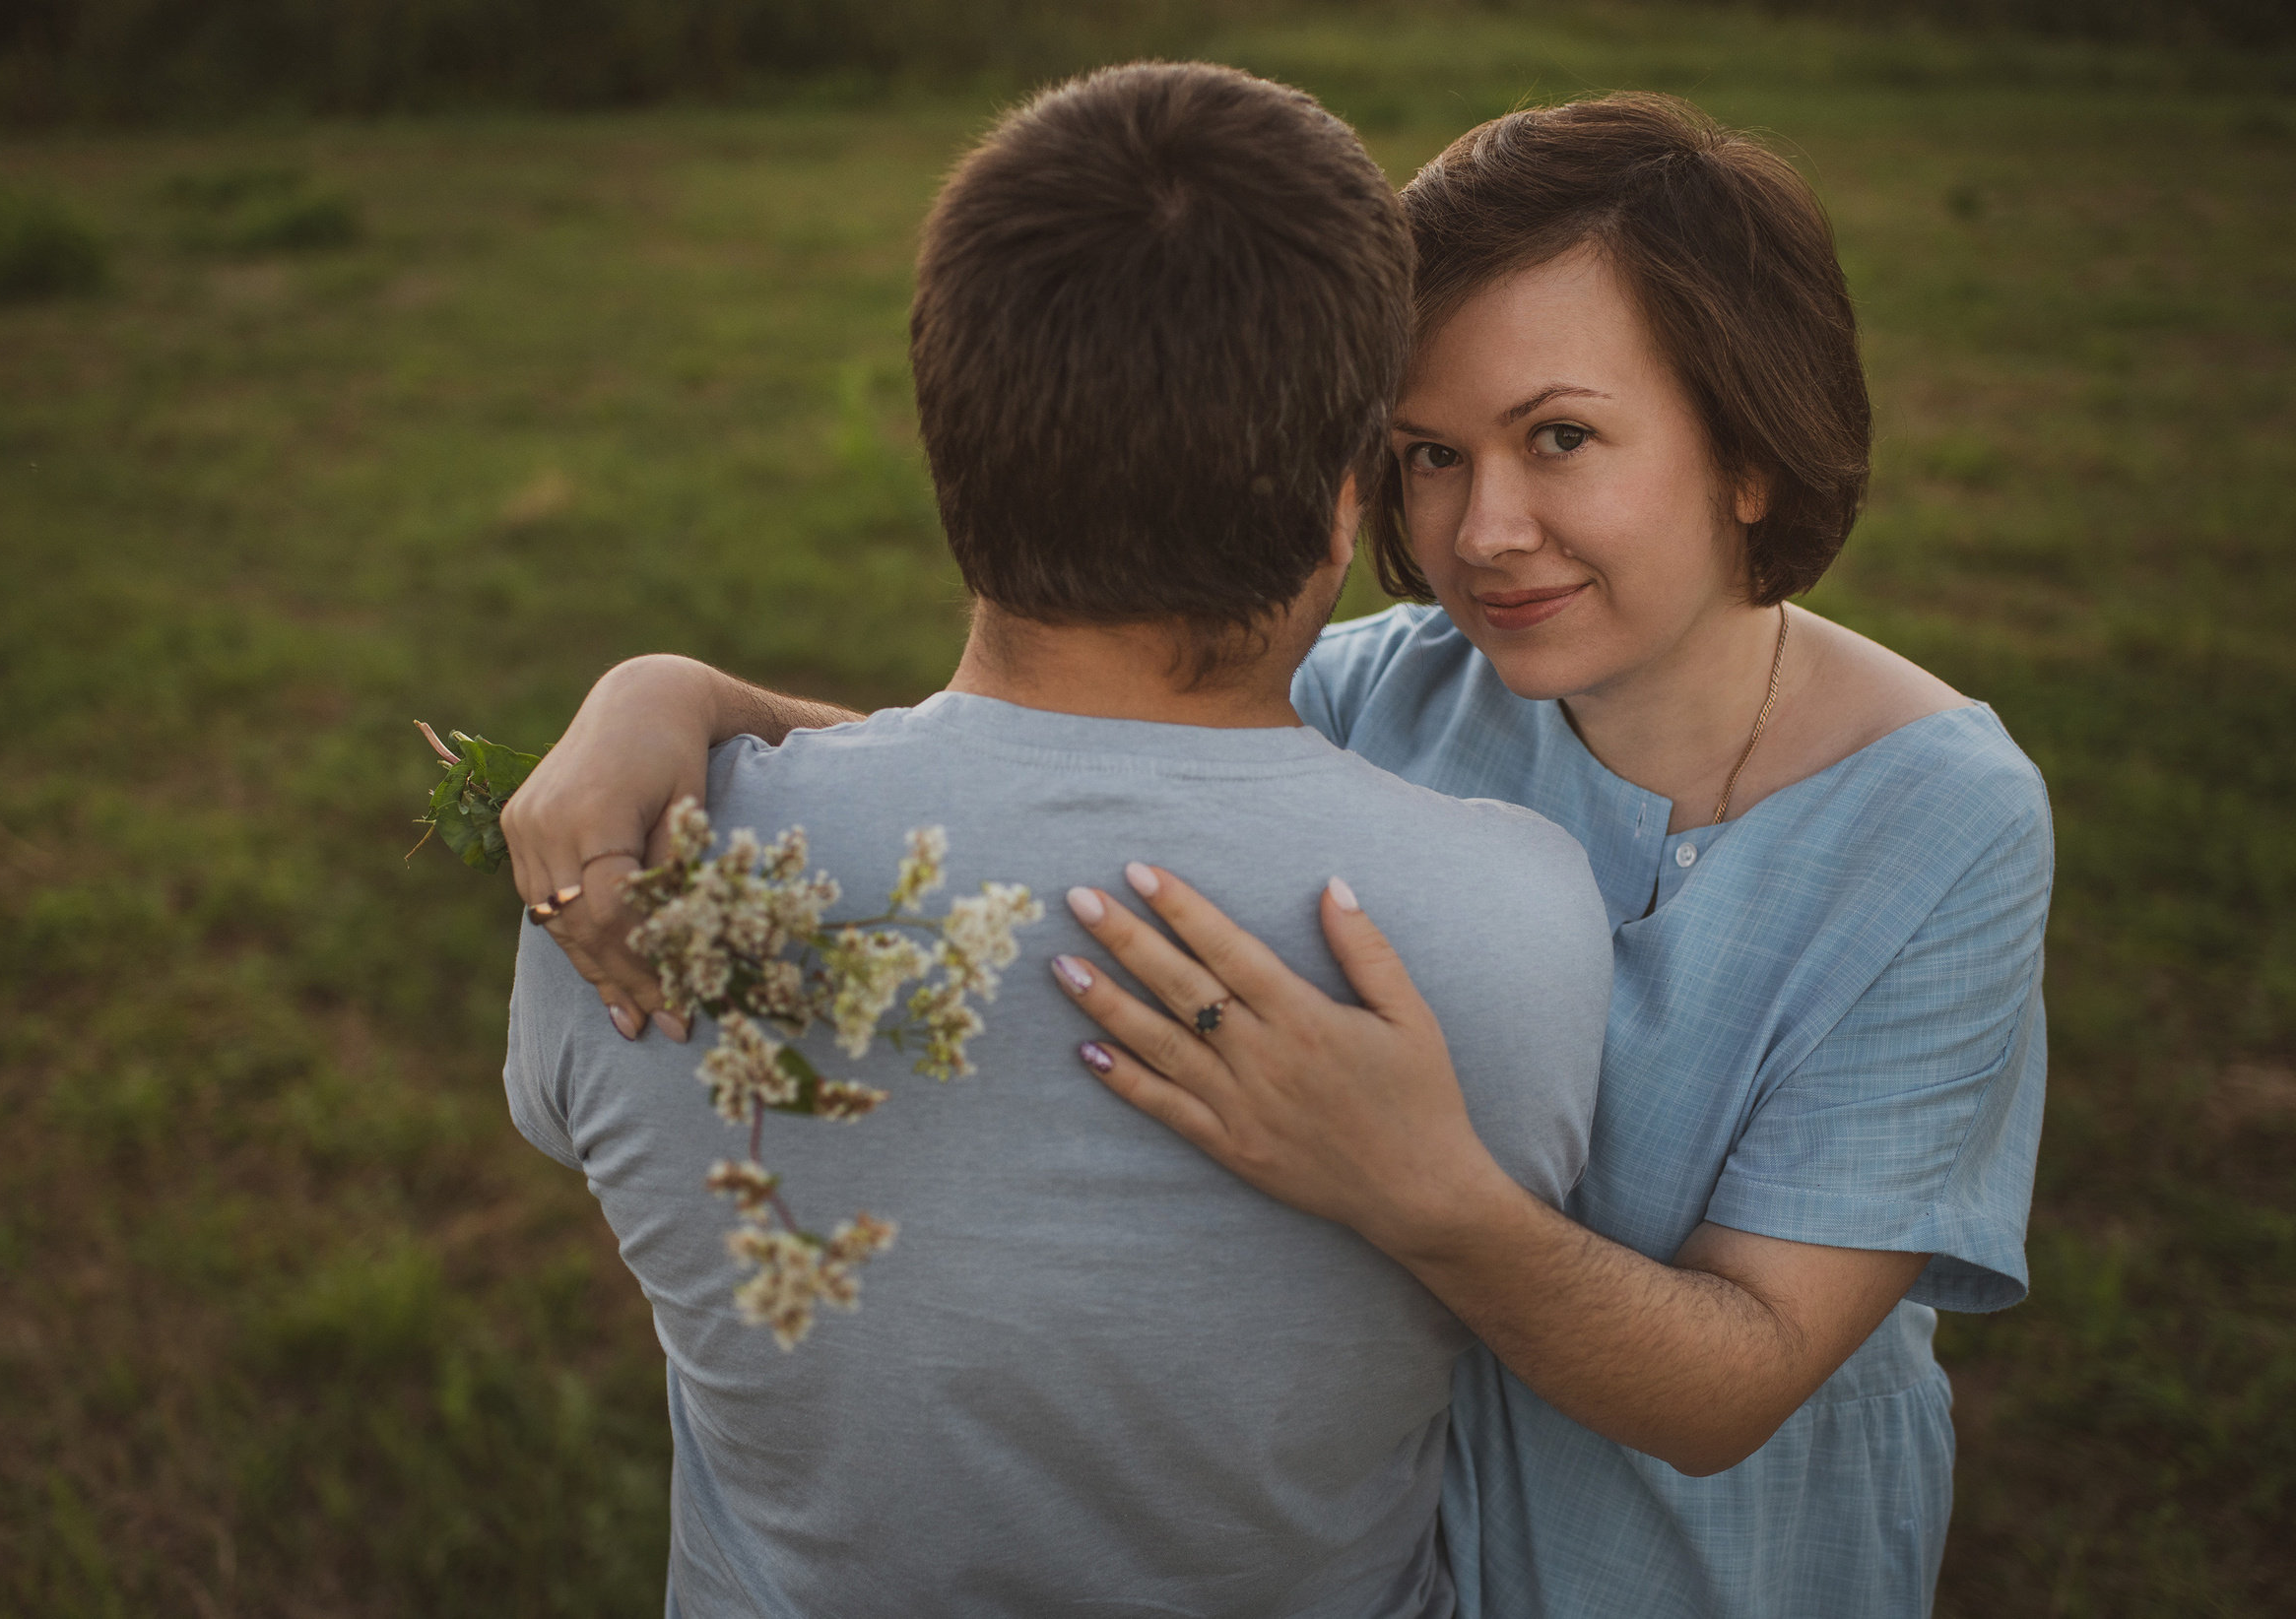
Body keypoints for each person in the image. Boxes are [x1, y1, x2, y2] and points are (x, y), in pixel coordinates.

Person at [503, 91, 2054, 1619]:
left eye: (1560, 438)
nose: (1481, 531)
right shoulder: (1388, 685)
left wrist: (1426, 1194)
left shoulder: (1938, 823)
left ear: (1751, 446)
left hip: (1700, 1562)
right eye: (1426, 455)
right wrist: (679, 701)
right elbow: (1058, 773)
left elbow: (1741, 1384)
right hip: (1410, 1535)